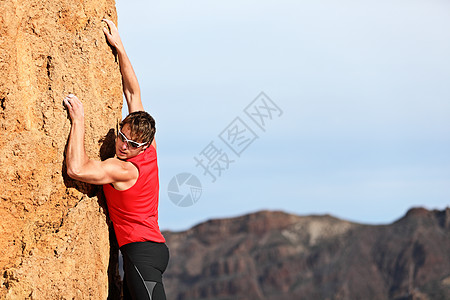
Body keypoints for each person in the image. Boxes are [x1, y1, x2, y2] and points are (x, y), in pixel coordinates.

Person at [64, 19, 169, 300]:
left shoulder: (123, 170)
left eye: (132, 144)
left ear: (144, 146)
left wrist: (79, 121)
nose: (122, 145)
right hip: (148, 251)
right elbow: (133, 92)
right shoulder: (149, 144)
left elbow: (76, 169)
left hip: (141, 255)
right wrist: (121, 47)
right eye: (121, 136)